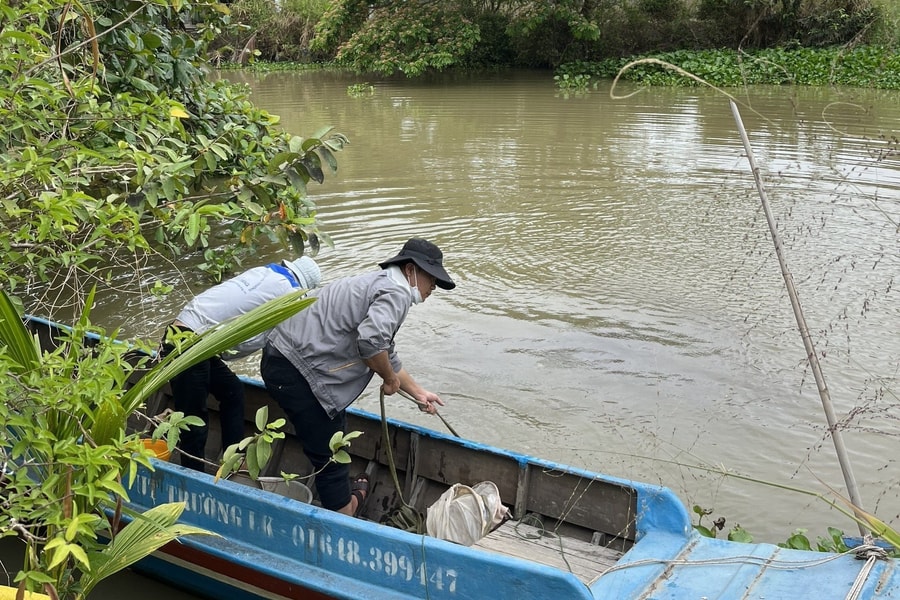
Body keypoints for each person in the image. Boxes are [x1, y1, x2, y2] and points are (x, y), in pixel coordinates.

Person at [260, 238, 455, 517]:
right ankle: (344, 510)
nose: (434, 287)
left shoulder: (377, 282)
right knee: (331, 447)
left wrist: (418, 393)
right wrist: (388, 379)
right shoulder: (396, 293)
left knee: (330, 430)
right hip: (299, 371)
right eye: (432, 278)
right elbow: (372, 343)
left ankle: (342, 496)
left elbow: (385, 349)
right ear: (411, 270)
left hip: (278, 359)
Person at [162, 256, 322, 472]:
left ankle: (232, 457)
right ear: (305, 288)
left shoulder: (264, 272)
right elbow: (256, 342)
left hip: (184, 333)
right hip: (190, 343)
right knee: (194, 421)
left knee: (233, 391)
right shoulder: (289, 295)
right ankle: (193, 476)